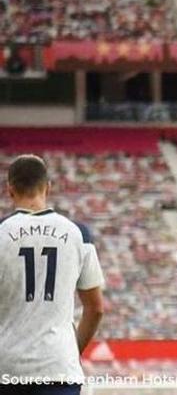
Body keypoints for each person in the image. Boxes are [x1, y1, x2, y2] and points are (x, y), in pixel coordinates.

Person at [0, 155, 105, 395]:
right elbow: (96, 308)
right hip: (59, 367)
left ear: (10, 190)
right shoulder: (79, 234)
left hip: (8, 369)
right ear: (48, 187)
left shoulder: (1, 234)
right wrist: (71, 350)